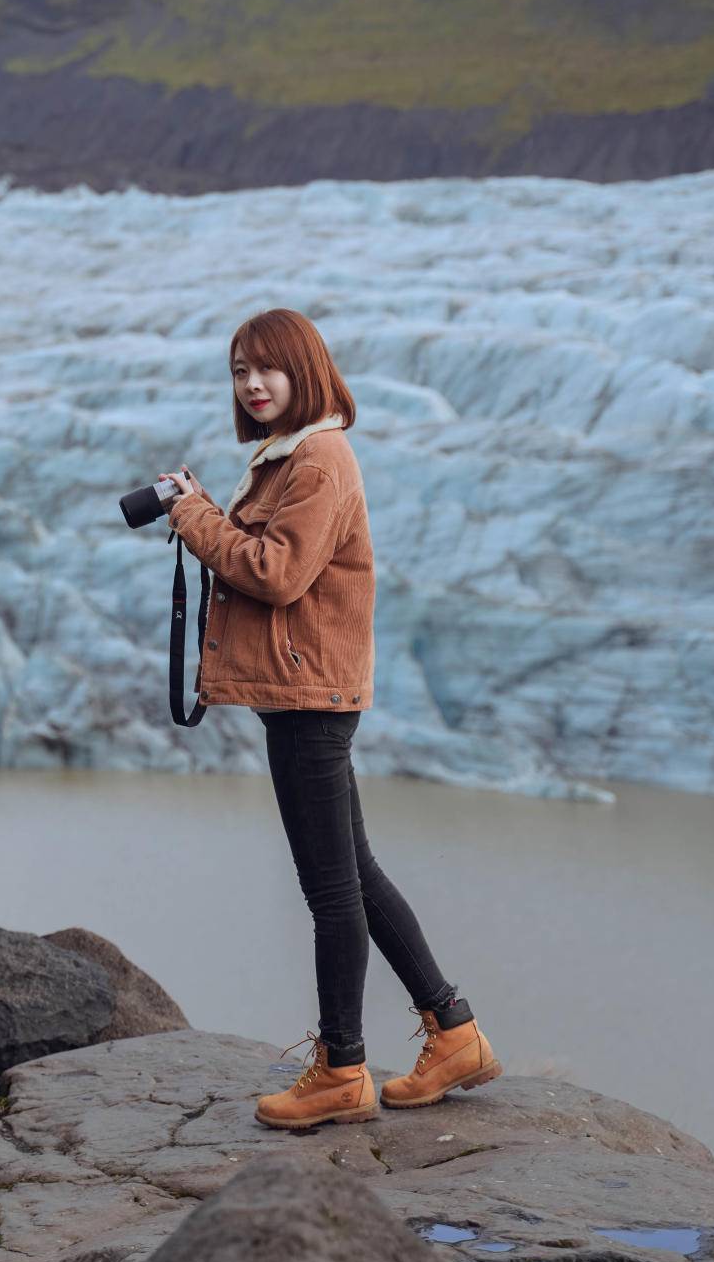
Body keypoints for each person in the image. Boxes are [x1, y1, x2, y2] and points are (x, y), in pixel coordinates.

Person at [158, 306, 501, 1129]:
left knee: (330, 891)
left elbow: (276, 573)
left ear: (304, 369)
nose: (252, 383)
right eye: (240, 370)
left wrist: (195, 520)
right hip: (304, 692)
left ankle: (343, 1069)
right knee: (358, 874)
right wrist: (210, 507)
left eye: (267, 368)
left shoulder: (317, 457)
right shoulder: (288, 457)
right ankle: (453, 1031)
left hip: (310, 697)